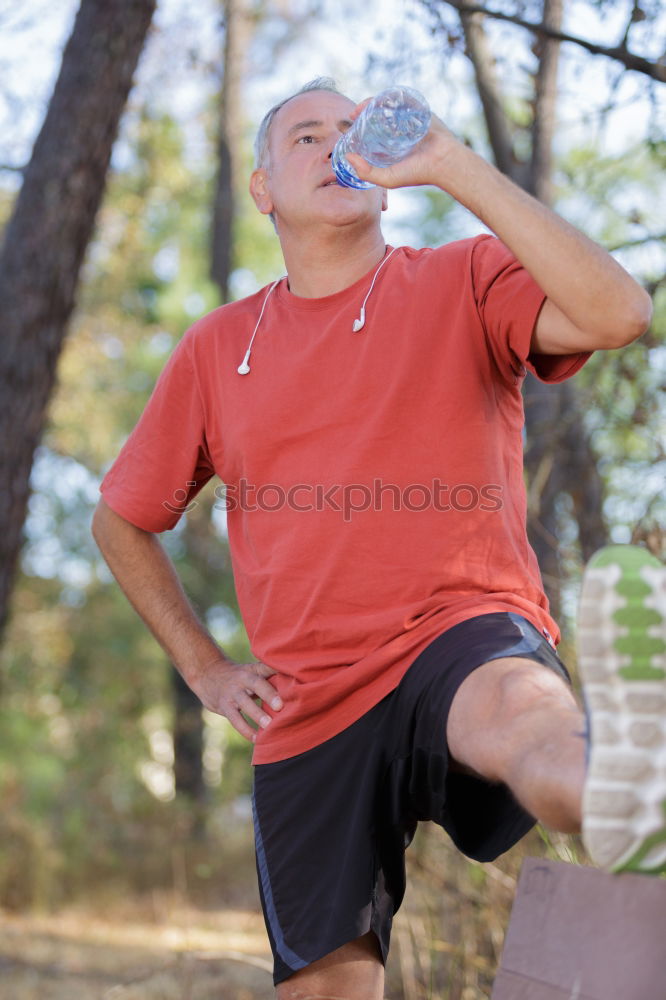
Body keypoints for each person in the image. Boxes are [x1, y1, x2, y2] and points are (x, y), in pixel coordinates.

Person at [93, 77, 665, 999]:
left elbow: (620, 314)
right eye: (304, 136)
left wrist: (451, 162)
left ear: (385, 174)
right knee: (325, 988)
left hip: (459, 633)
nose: (333, 145)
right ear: (263, 190)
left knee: (530, 727)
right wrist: (204, 667)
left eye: (349, 131)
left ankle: (635, 788)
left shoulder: (463, 277)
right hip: (308, 704)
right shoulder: (218, 349)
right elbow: (122, 517)